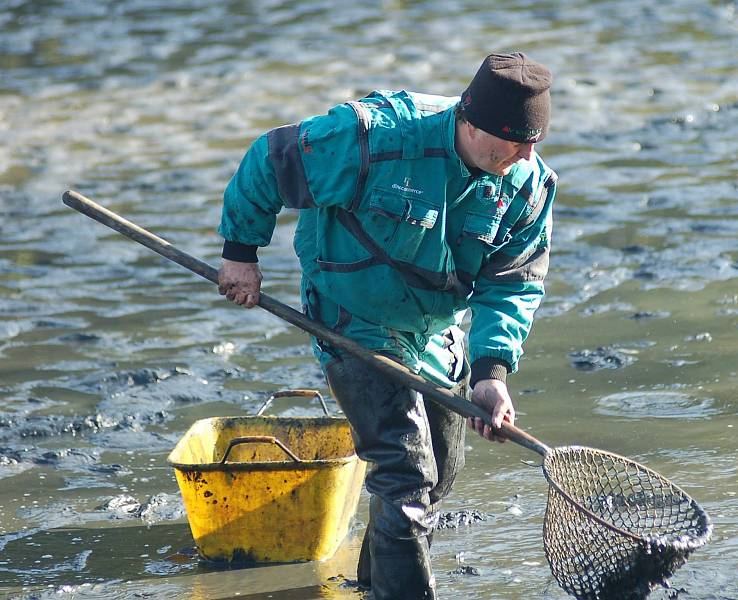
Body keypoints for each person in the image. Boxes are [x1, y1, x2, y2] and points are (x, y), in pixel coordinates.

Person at [216, 52, 557, 599]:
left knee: (439, 472)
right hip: (354, 319)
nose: (525, 155)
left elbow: (513, 285)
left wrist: (492, 371)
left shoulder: (527, 184)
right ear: (471, 121)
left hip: (434, 331)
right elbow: (270, 160)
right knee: (405, 475)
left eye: (535, 142)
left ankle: (373, 584)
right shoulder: (373, 136)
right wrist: (240, 253)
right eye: (515, 141)